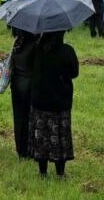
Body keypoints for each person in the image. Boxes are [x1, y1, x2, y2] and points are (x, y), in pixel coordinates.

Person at [28, 31, 78, 178]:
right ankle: (60, 173)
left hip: (39, 100)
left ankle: (42, 172)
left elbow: (31, 68)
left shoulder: (37, 49)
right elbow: (74, 73)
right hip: (60, 101)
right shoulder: (67, 51)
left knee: (41, 135)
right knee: (60, 135)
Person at [9, 29, 36, 160]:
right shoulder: (36, 44)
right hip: (31, 84)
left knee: (19, 117)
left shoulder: (17, 42)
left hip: (16, 83)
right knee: (31, 118)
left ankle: (21, 150)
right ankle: (30, 150)